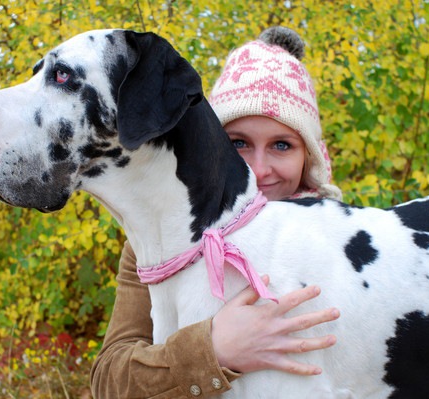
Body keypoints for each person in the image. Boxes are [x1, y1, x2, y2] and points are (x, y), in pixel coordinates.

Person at [90, 26, 343, 398]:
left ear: (309, 156)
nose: (259, 169)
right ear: (212, 144)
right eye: (238, 142)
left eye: (282, 145)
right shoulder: (161, 242)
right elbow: (110, 381)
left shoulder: (338, 241)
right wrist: (211, 351)